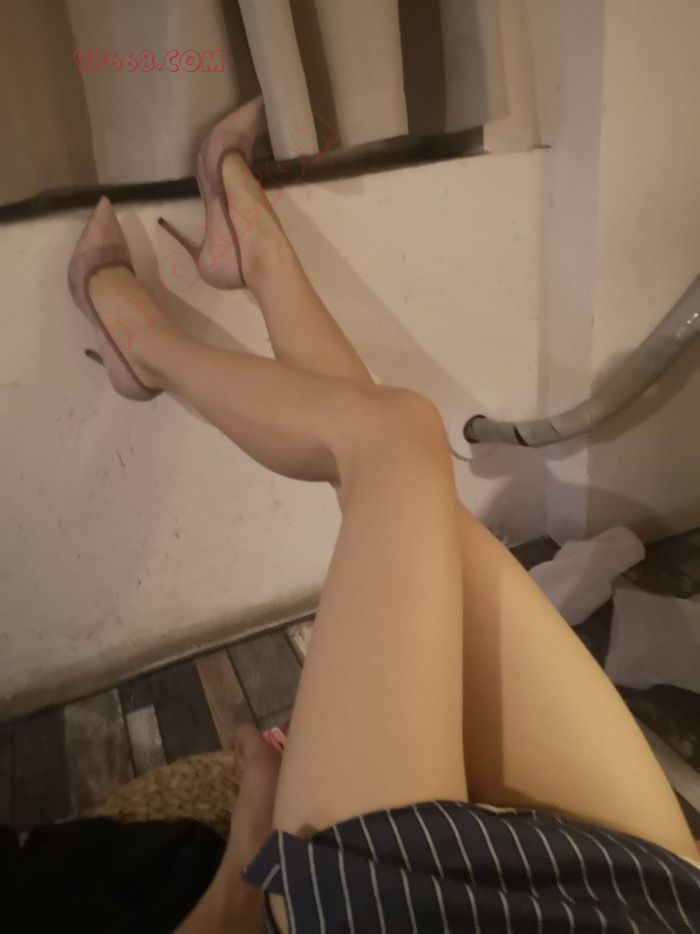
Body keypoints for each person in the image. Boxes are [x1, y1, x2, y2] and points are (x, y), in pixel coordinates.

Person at [68, 99, 699, 933]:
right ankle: (245, 259)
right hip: (656, 895)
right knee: (410, 492)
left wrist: (247, 846)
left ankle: (155, 338)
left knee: (394, 439)